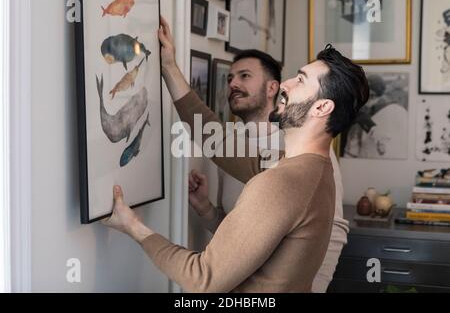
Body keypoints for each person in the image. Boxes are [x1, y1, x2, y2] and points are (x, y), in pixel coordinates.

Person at [102, 16, 369, 292]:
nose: (286, 84)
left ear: (321, 108)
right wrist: (169, 66)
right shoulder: (313, 168)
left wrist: (133, 226)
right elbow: (218, 142)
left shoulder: (281, 182)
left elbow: (202, 278)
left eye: (301, 80)